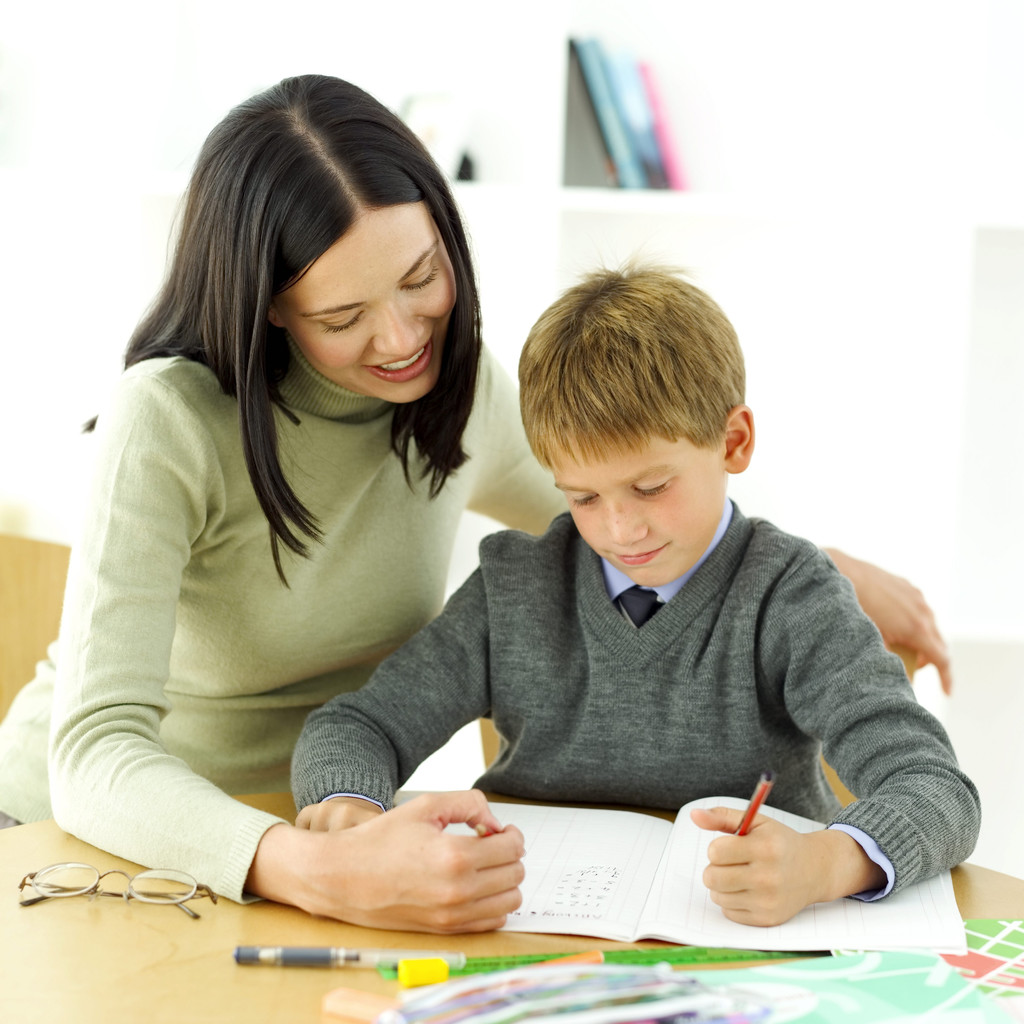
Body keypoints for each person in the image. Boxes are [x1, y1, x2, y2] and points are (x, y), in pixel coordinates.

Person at [0, 73, 951, 930]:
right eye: (342, 317)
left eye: (422, 279)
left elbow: (634, 517)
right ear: (268, 309)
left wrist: (828, 572)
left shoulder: (463, 393)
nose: (404, 336)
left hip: (327, 847)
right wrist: (319, 862)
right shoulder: (166, 416)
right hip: (103, 846)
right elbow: (95, 751)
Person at [292, 265, 979, 928]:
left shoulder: (792, 597)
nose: (620, 529)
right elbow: (358, 727)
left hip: (745, 950)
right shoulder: (516, 588)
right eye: (583, 496)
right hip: (531, 938)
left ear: (733, 442)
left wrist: (828, 863)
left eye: (650, 488)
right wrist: (351, 813)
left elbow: (936, 788)